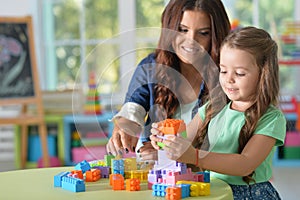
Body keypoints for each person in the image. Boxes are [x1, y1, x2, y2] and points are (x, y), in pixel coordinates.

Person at [150, 26, 286, 199]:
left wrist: (196, 156)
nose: (229, 79)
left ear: (264, 75)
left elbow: (245, 164)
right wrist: (165, 140)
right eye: (223, 70)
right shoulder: (212, 108)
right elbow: (184, 141)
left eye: (240, 73)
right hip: (213, 191)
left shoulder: (271, 118)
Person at [106, 0, 231, 160]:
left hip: (213, 176)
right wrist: (123, 128)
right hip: (161, 178)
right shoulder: (151, 67)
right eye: (182, 30)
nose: (191, 40)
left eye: (204, 33)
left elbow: (230, 140)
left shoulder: (228, 74)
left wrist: (166, 156)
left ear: (216, 35)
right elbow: (133, 108)